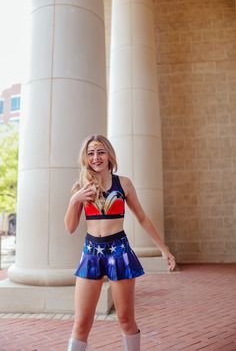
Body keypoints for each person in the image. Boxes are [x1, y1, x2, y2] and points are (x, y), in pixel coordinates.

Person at [64, 134, 176, 351]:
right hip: (91, 253)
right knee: (81, 323)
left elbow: (142, 217)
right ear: (86, 158)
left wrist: (164, 249)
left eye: (100, 151)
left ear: (109, 155)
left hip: (119, 252)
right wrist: (74, 199)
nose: (96, 157)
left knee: (125, 319)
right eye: (91, 153)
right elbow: (69, 228)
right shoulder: (81, 186)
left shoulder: (123, 183)